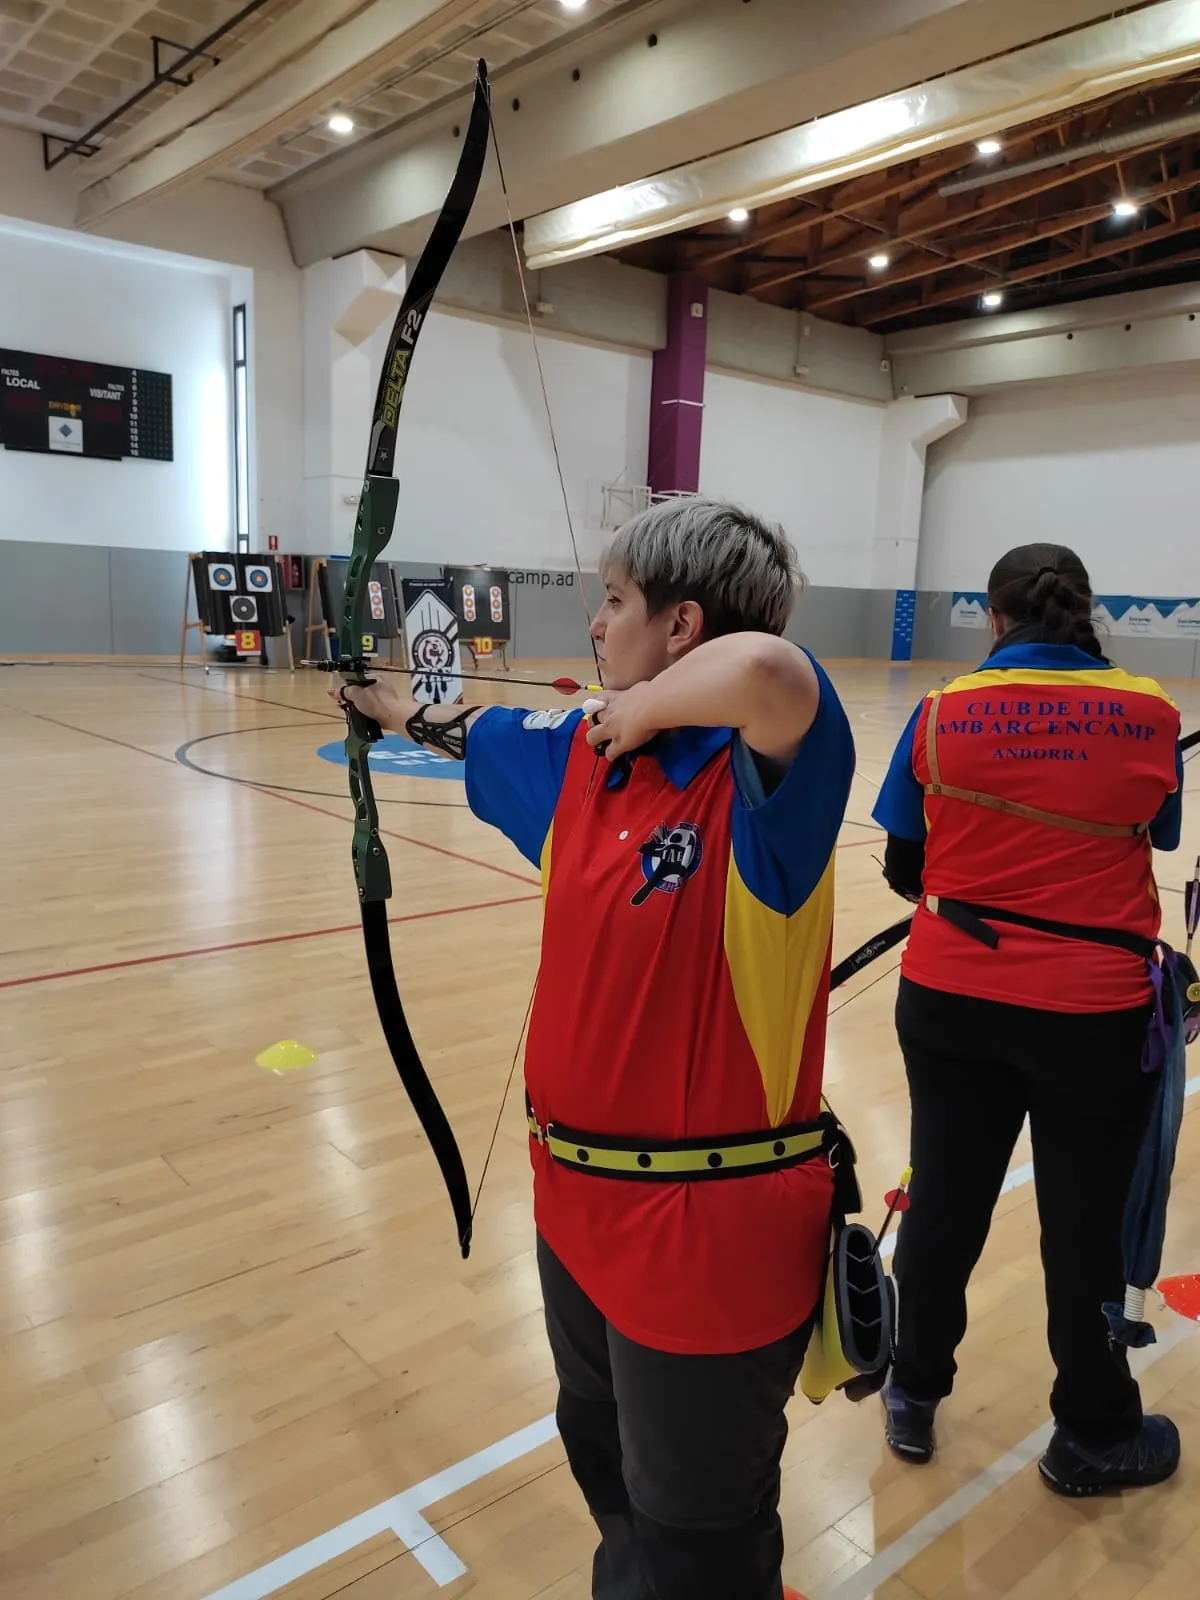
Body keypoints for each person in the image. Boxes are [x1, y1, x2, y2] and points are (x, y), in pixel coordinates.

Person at [336, 499, 855, 1599]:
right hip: (573, 1210)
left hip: (706, 1238)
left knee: (698, 1534)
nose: (594, 626)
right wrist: (386, 707)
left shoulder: (768, 777)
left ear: (681, 626)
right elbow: (476, 729)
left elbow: (766, 668)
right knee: (606, 1464)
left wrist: (643, 712)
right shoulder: (583, 756)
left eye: (614, 602)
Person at [871, 541, 1185, 1497]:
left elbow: (903, 866)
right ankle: (1093, 1434)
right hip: (1092, 1019)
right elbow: (1158, 831)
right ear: (1086, 615)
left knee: (945, 1204)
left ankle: (914, 1390)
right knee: (1083, 1226)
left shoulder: (943, 711)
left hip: (952, 1000)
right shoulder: (1151, 713)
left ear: (995, 620)